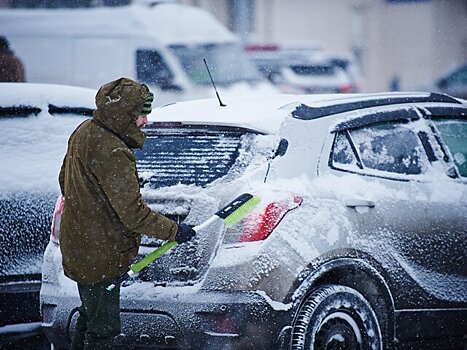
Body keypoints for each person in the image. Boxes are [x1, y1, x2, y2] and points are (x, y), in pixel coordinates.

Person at [59, 77, 196, 350]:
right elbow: (133, 214)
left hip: (79, 245)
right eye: (140, 115)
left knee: (90, 317)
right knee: (104, 330)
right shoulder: (115, 150)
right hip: (101, 254)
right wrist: (175, 231)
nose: (145, 121)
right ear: (124, 115)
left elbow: (64, 180)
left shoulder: (84, 131)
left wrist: (92, 204)